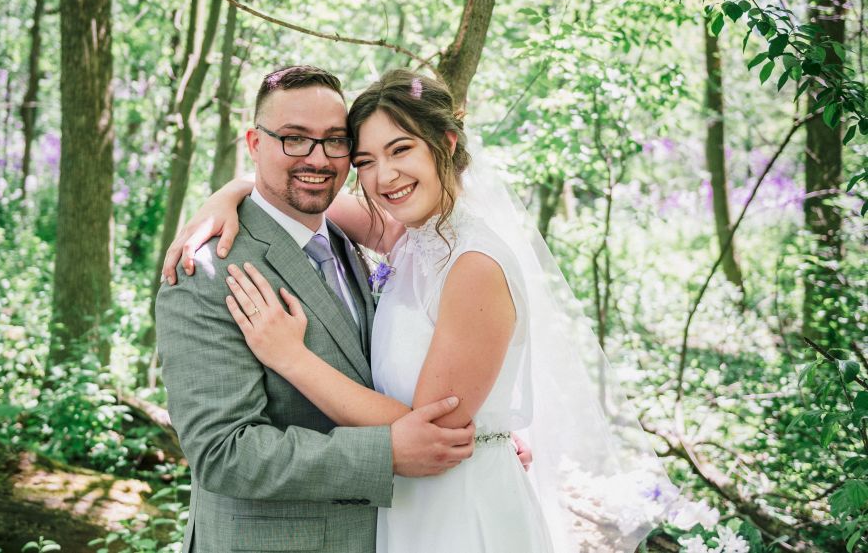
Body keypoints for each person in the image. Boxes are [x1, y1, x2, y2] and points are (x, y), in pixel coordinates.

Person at [167, 69, 677, 552]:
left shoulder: (471, 261)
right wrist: (227, 196)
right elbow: (289, 194)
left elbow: (430, 431)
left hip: (456, 507)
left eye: (400, 149)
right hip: (396, 513)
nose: (381, 174)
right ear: (257, 143)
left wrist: (292, 358)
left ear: (446, 144)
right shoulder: (403, 238)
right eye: (365, 160)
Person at [155, 65, 482, 553]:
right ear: (255, 142)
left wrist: (493, 432)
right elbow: (223, 453)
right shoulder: (206, 270)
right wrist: (386, 452)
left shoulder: (351, 238)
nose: (318, 158)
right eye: (294, 138)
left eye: (335, 140)